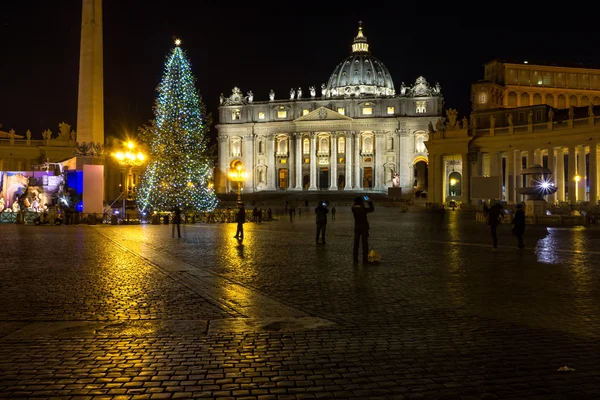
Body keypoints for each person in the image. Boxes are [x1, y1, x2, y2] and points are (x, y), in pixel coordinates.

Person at [352, 196, 374, 263]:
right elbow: (371, 209)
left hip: (357, 227)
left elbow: (354, 205)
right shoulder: (362, 208)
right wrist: (369, 202)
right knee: (364, 244)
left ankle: (355, 259)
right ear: (361, 202)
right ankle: (365, 259)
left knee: (356, 244)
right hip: (364, 227)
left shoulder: (353, 208)